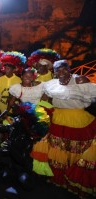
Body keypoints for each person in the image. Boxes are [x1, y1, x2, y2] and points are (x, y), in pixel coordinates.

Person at [31, 60, 96, 198]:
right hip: (58, 120)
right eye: (57, 70)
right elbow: (45, 100)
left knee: (77, 149)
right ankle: (60, 180)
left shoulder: (80, 80)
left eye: (64, 69)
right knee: (59, 149)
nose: (61, 72)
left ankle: (74, 180)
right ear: (54, 72)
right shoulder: (52, 84)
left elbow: (92, 98)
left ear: (69, 68)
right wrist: (37, 110)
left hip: (78, 121)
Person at [0, 51, 25, 117]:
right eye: (5, 68)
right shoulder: (0, 79)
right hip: (0, 108)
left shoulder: (18, 80)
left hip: (12, 110)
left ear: (13, 70)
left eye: (8, 69)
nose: (6, 70)